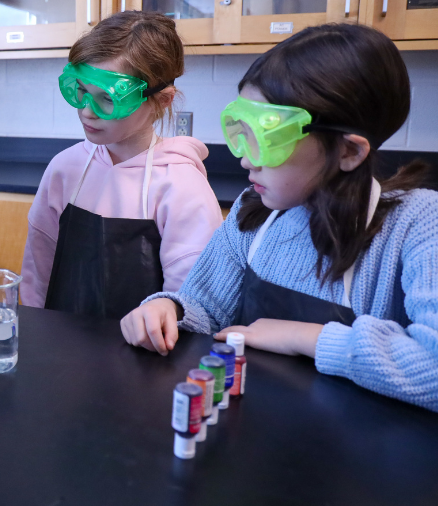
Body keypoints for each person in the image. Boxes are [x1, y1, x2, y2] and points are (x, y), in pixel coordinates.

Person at [120, 24, 438, 411]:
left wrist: (305, 337)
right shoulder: (252, 210)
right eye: (243, 131)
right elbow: (204, 307)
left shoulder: (418, 223)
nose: (244, 158)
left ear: (350, 152)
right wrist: (167, 310)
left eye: (268, 139)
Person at [20, 11, 222, 319]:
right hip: (60, 350)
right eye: (82, 92)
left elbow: (192, 304)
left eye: (107, 99)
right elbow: (38, 269)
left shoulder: (181, 187)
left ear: (162, 100)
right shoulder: (64, 169)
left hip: (147, 359)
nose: (88, 111)